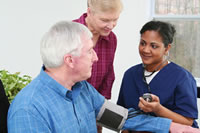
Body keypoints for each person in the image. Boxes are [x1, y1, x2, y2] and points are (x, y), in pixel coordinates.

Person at [7, 21, 200, 133]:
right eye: (90, 51)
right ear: (70, 60)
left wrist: (176, 128)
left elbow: (122, 118)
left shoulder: (83, 90)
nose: (96, 57)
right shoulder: (29, 109)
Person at [117, 21, 199, 132]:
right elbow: (124, 116)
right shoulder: (130, 75)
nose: (145, 50)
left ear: (167, 48)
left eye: (154, 46)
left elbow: (187, 121)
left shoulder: (182, 78)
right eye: (143, 43)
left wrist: (158, 109)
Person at [73, 1, 122, 131]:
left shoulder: (111, 39)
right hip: (69, 111)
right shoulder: (69, 33)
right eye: (105, 20)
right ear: (90, 12)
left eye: (115, 19)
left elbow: (108, 75)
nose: (111, 26)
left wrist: (99, 117)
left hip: (95, 112)